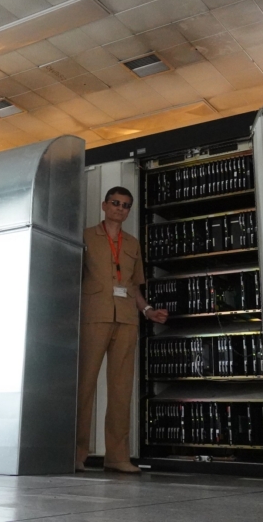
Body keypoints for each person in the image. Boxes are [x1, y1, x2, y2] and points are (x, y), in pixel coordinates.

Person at [76, 186, 168, 473]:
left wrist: (147, 310)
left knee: (121, 389)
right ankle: (75, 453)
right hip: (94, 315)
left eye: (126, 205)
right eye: (115, 203)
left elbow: (132, 285)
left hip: (127, 318)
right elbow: (72, 277)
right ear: (104, 205)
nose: (120, 208)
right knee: (84, 385)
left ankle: (117, 457)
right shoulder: (85, 237)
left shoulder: (132, 243)